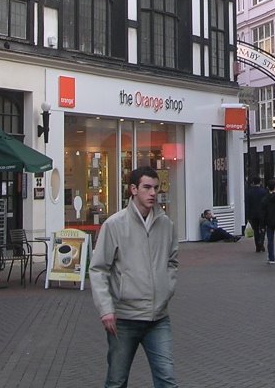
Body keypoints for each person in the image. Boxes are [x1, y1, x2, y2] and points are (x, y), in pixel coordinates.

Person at [90, 166, 179, 388]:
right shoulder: (114, 225)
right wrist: (106, 310)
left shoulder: (166, 224)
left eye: (155, 188)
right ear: (133, 189)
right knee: (117, 381)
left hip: (158, 318)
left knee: (167, 379)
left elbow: (172, 261)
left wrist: (166, 289)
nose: (152, 193)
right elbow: (99, 268)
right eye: (147, 187)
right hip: (124, 319)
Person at [244, 176, 269, 252]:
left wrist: (247, 216)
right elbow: (266, 203)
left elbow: (247, 204)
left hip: (253, 214)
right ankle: (261, 241)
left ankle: (257, 245)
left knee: (255, 230)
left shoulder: (249, 192)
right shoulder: (264, 192)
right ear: (260, 182)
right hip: (262, 214)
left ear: (253, 183)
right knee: (262, 228)